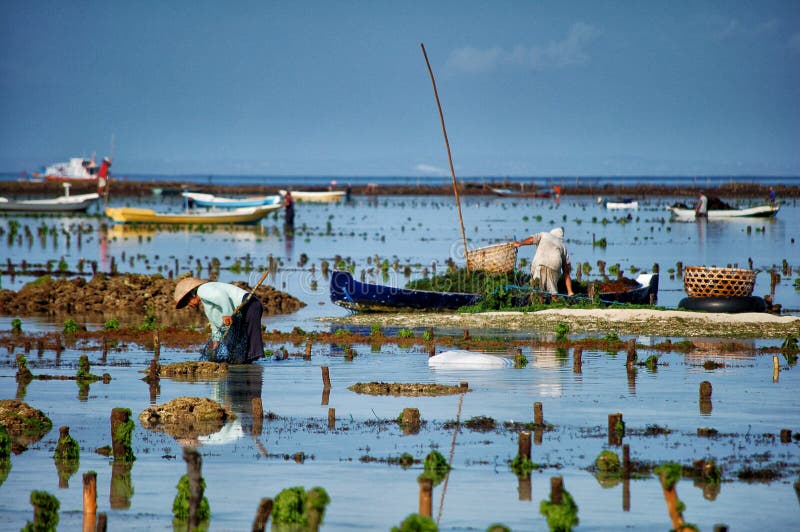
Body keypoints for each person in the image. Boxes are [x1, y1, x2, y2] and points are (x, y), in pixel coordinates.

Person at [173, 277, 264, 363]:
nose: (189, 305)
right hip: (244, 310)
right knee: (239, 349)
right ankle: (245, 370)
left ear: (192, 294)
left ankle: (253, 374)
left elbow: (222, 296)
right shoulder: (207, 304)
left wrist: (227, 314)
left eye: (187, 302)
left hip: (248, 304)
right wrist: (216, 341)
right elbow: (215, 325)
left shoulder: (203, 290)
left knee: (251, 349)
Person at [513, 227, 574, 297]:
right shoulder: (562, 246)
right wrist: (570, 291)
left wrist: (520, 243)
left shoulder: (544, 235)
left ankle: (539, 302)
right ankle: (555, 300)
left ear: (551, 233)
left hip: (540, 262)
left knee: (537, 290)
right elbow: (566, 271)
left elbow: (532, 240)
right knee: (553, 292)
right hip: (554, 265)